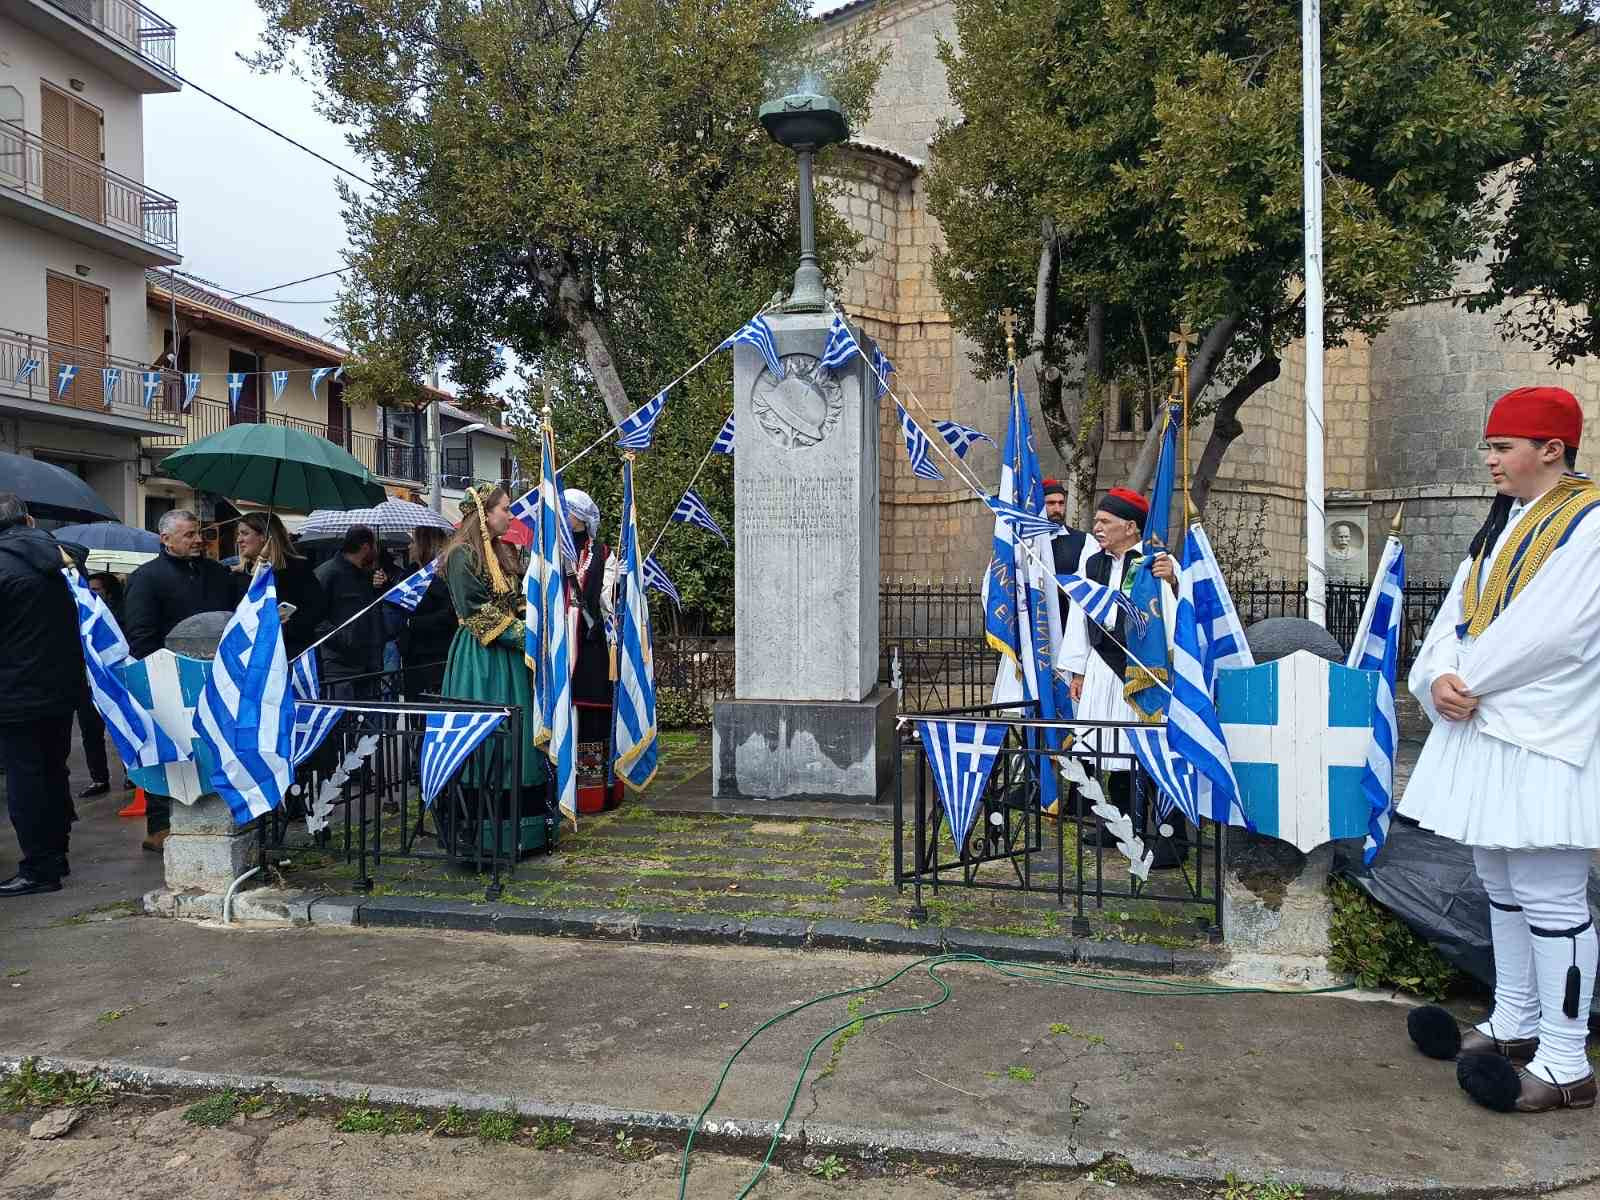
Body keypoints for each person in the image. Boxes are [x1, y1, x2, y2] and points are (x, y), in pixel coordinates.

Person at [1400, 386, 1600, 1114]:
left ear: (1551, 449)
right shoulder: (1504, 523)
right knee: (1501, 883)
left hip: (1548, 736)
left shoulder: (1589, 522)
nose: (1488, 459)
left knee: (1551, 894)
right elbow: (1454, 618)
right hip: (1488, 729)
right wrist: (1436, 678)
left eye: (1502, 446)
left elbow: (1557, 631)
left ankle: (1567, 1059)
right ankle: (1515, 1021)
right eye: (1489, 445)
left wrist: (1469, 679)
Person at [1056, 486, 1186, 869]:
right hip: (1102, 666)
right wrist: (1078, 670)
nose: (1096, 527)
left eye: (1105, 521)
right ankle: (1124, 827)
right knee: (1110, 748)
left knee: (1147, 752)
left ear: (1130, 527)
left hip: (1141, 670)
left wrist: (1174, 581)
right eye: (1096, 521)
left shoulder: (1155, 563)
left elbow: (1179, 615)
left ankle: (1171, 838)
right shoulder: (1093, 564)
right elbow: (1080, 617)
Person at [122, 509, 236, 852]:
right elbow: (140, 635)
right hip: (167, 682)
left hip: (216, 678)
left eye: (199, 533)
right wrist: (163, 675)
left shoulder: (218, 574)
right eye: (189, 535)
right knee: (168, 754)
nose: (198, 540)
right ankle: (160, 826)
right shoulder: (146, 578)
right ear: (166, 539)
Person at [438, 487, 547, 841]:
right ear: (484, 515)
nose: (511, 516)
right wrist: (528, 635)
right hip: (480, 658)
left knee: (518, 733)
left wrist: (540, 617)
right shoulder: (461, 555)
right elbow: (476, 613)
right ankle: (482, 832)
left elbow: (514, 602)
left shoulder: (502, 552)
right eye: (505, 509)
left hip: (509, 657)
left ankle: (525, 829)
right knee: (488, 736)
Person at [0, 494, 83, 895]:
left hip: (15, 691)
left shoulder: (4, 564)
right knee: (53, 771)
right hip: (60, 686)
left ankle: (39, 867)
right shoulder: (62, 558)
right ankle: (56, 855)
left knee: (26, 780)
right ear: (29, 520)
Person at [562, 488, 621, 811]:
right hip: (561, 643)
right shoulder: (552, 551)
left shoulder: (602, 553)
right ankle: (560, 787)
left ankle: (592, 793)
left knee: (592, 717)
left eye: (569, 511)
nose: (564, 516)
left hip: (590, 644)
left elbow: (607, 601)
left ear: (582, 518)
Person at [234, 512, 327, 661]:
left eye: (245, 533)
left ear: (264, 536)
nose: (239, 540)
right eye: (239, 534)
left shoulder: (297, 569)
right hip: (250, 657)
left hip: (291, 656)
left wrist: (287, 626)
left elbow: (318, 609)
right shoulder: (238, 576)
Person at [313, 525, 389, 699]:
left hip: (368, 665)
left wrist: (381, 588)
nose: (377, 551)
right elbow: (315, 618)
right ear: (365, 547)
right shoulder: (328, 573)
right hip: (339, 667)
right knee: (342, 714)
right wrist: (343, 640)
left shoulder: (366, 575)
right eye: (375, 546)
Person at [75, 573, 125, 799]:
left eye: (96, 589)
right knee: (90, 733)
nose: (92, 593)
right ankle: (99, 778)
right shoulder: (80, 614)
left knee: (121, 727)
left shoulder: (115, 617)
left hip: (112, 681)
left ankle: (132, 774)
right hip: (86, 684)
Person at [397, 526, 456, 698]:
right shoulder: (409, 574)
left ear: (425, 544)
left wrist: (413, 623)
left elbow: (449, 615)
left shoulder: (444, 575)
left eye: (413, 542)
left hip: (435, 655)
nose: (409, 546)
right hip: (411, 653)